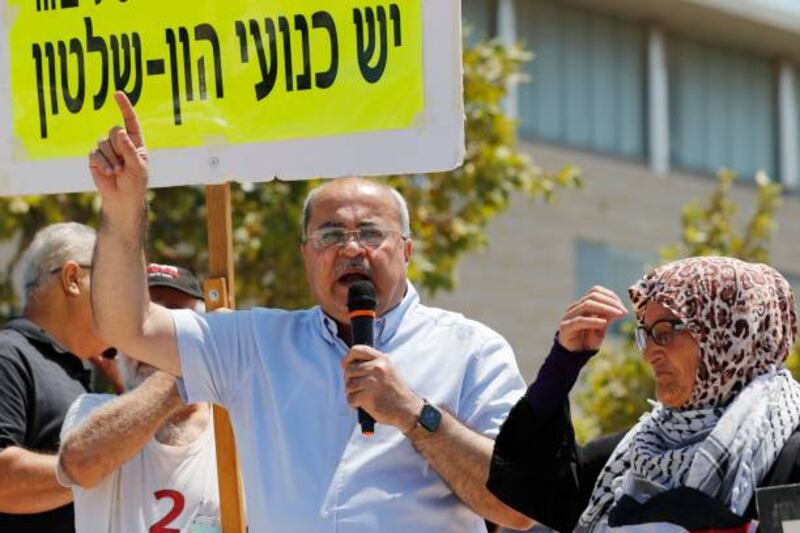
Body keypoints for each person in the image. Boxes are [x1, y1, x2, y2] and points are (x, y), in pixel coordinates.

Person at [86, 91, 532, 531]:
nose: (351, 248)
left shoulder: (471, 350)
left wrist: (414, 414)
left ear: (408, 249)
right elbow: (129, 325)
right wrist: (124, 208)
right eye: (330, 235)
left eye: (371, 233)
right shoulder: (256, 345)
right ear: (305, 254)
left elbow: (518, 507)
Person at [487, 256, 800, 532]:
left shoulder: (787, 459)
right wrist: (563, 362)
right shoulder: (638, 453)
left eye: (665, 332)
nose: (650, 353)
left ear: (727, 336)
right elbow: (532, 486)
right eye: (646, 334)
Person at [57, 264, 220, 533]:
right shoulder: (90, 410)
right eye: (140, 324)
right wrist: (184, 369)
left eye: (175, 320)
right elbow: (80, 465)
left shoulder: (233, 428)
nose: (155, 336)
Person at [0, 222, 116, 532]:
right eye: (114, 281)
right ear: (72, 278)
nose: (124, 301)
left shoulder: (71, 371)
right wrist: (103, 462)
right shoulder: (8, 355)